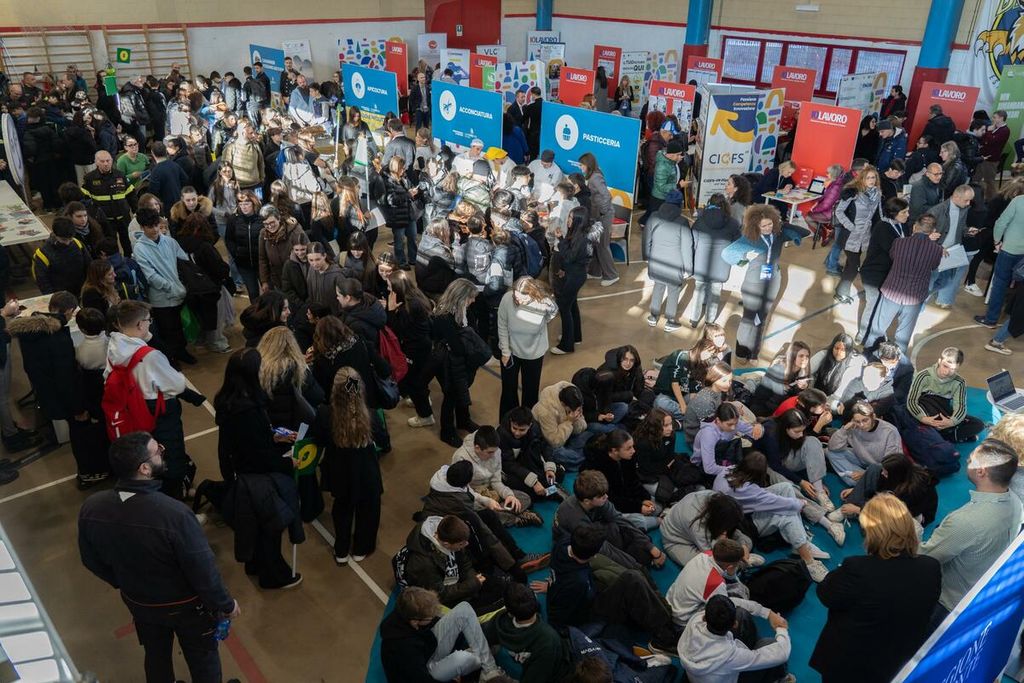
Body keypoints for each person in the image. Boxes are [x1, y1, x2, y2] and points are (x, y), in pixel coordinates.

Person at [78, 432, 240, 683]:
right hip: (187, 607)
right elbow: (203, 570)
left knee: (156, 656)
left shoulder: (92, 508)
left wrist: (123, 581)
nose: (163, 452)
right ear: (144, 468)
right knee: (203, 659)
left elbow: (90, 559)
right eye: (157, 451)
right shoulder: (175, 515)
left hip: (140, 604)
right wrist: (226, 604)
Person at [812, 494, 939, 683]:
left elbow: (825, 594)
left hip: (851, 664)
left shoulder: (857, 568)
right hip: (898, 661)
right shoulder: (931, 567)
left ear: (872, 532)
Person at [214, 349, 304, 588]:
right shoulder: (249, 411)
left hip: (240, 475)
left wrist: (272, 435)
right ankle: (273, 576)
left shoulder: (227, 402)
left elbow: (242, 442)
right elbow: (260, 456)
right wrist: (288, 462)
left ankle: (254, 565)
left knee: (254, 526)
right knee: (270, 528)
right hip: (257, 478)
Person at [922, 439, 1022, 627]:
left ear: (981, 471)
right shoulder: (1016, 502)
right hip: (980, 587)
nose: (967, 460)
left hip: (949, 603)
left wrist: (909, 528)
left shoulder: (965, 521)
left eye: (971, 459)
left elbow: (925, 558)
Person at [537, 523, 678, 653]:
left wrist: (552, 587)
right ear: (593, 554)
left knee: (622, 573)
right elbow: (568, 612)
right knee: (632, 580)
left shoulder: (564, 543)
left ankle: (656, 604)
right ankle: (663, 637)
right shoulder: (579, 582)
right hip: (585, 613)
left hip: (576, 590)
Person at [714, 452, 838, 582]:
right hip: (742, 525)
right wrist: (801, 503)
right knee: (786, 515)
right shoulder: (747, 489)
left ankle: (800, 541)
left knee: (786, 487)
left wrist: (795, 504)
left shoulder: (729, 470)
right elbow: (779, 502)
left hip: (738, 515)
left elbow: (769, 499)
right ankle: (808, 560)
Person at [307, 366, 382, 564]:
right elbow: (382, 438)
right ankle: (361, 548)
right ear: (360, 388)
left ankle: (341, 550)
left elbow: (319, 439)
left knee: (342, 509)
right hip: (366, 472)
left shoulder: (325, 414)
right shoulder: (371, 415)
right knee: (368, 510)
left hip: (339, 472)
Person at [722, 205, 807, 362]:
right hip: (753, 283)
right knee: (749, 320)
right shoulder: (750, 239)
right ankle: (741, 352)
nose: (768, 228)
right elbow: (727, 254)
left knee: (761, 319)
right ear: (755, 226)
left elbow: (804, 231)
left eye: (770, 223)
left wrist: (784, 226)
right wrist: (744, 258)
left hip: (772, 282)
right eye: (764, 226)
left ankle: (754, 353)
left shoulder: (779, 234)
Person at [379, 586, 511, 683]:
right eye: (429, 617)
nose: (433, 617)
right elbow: (421, 680)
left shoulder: (406, 609)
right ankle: (480, 655)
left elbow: (431, 625)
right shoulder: (403, 649)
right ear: (415, 621)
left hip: (426, 648)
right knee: (464, 659)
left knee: (464, 609)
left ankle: (490, 670)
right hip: (423, 673)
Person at [864, 214, 943, 353]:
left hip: (892, 291)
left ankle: (868, 353)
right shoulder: (937, 250)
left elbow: (893, 256)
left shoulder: (899, 242)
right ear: (933, 231)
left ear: (915, 227)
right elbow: (934, 266)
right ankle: (897, 361)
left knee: (878, 328)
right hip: (914, 296)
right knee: (903, 336)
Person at [678, 594, 792, 683]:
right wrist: (781, 628)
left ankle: (752, 651)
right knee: (770, 643)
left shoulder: (695, 620)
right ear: (735, 624)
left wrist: (768, 614)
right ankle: (781, 678)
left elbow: (734, 601)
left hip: (701, 675)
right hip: (728, 673)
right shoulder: (729, 656)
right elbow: (782, 653)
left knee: (741, 613)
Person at [430, 279, 489, 447]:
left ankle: (464, 421)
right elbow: (457, 347)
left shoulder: (464, 311)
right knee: (451, 396)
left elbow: (472, 332)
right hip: (448, 364)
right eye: (470, 297)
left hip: (462, 363)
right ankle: (447, 432)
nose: (473, 301)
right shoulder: (443, 316)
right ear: (460, 297)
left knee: (461, 391)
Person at [666, 538, 776, 628]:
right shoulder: (715, 584)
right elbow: (729, 604)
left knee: (733, 585)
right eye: (737, 564)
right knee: (740, 596)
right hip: (683, 620)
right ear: (730, 567)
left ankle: (741, 566)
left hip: (672, 603)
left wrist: (731, 571)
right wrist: (766, 612)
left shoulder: (704, 554)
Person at [131, 208, 192, 365]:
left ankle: (182, 352)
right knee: (167, 330)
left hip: (180, 293)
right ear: (142, 227)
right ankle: (171, 358)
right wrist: (172, 287)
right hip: (161, 299)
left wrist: (183, 284)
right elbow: (151, 276)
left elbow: (184, 262)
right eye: (150, 226)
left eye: (156, 225)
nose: (155, 229)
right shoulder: (140, 248)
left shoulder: (170, 241)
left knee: (179, 326)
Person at [484, 583, 573, 683]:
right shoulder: (549, 640)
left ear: (509, 612)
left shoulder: (500, 620)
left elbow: (484, 639)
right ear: (535, 600)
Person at [497, 276, 557, 419]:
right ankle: (507, 420)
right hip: (511, 351)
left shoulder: (544, 302)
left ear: (532, 294)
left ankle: (528, 421)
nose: (518, 301)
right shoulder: (507, 299)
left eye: (522, 299)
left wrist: (543, 323)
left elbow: (553, 312)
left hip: (534, 353)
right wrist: (505, 352)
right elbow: (502, 325)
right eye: (516, 297)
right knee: (508, 389)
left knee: (531, 390)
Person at [829, 452, 939, 527]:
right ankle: (851, 507)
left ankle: (857, 511)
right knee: (874, 468)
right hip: (892, 497)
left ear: (896, 475)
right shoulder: (901, 474)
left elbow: (893, 514)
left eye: (886, 472)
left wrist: (859, 510)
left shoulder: (914, 491)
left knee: (875, 530)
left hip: (908, 513)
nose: (883, 473)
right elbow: (883, 483)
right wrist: (856, 489)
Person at [758, 409, 835, 511]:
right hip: (774, 464)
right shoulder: (770, 434)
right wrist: (800, 481)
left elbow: (804, 448)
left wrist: (815, 481)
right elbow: (775, 465)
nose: (801, 434)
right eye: (797, 431)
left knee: (812, 441)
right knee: (788, 486)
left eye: (802, 430)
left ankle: (819, 490)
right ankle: (812, 508)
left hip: (788, 454)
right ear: (785, 428)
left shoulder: (792, 430)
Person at [857, 197, 910, 343]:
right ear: (893, 213)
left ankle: (876, 332)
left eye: (907, 211)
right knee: (873, 305)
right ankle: (863, 336)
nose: (907, 215)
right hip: (874, 274)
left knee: (882, 306)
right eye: (904, 212)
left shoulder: (903, 225)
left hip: (889, 273)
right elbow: (894, 251)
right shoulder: (882, 227)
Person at [581, 429, 658, 530]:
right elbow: (609, 499)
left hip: (626, 498)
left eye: (633, 446)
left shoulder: (629, 457)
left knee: (655, 506)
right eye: (629, 448)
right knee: (639, 521)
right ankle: (659, 521)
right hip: (608, 504)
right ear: (615, 451)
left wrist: (643, 498)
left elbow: (633, 480)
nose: (633, 451)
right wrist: (638, 506)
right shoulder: (598, 468)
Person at [661, 490, 759, 567]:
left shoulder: (716, 498)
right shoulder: (697, 525)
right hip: (676, 541)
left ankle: (738, 560)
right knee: (706, 565)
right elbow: (715, 553)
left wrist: (744, 546)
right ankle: (738, 565)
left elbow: (731, 529)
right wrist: (722, 542)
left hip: (708, 526)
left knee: (747, 542)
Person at [688, 193, 742, 328]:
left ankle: (694, 319)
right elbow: (737, 245)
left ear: (709, 203)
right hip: (721, 265)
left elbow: (692, 243)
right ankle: (710, 320)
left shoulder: (699, 222)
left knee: (699, 290)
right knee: (716, 292)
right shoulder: (733, 223)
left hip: (701, 263)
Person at [833, 164, 882, 304]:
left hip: (864, 236)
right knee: (854, 266)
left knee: (851, 265)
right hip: (850, 236)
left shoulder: (877, 194)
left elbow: (879, 214)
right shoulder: (853, 193)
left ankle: (841, 291)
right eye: (868, 178)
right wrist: (851, 226)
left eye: (873, 177)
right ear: (862, 179)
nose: (871, 180)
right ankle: (841, 292)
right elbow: (839, 211)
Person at [645, 189, 693, 332]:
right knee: (674, 290)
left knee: (658, 285)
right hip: (674, 264)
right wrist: (688, 268)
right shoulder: (682, 221)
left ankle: (653, 316)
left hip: (657, 261)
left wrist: (646, 256)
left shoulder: (654, 216)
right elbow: (687, 246)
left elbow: (646, 238)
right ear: (679, 204)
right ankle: (670, 321)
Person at [976, 190, 1024, 330]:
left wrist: (997, 241)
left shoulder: (1019, 201)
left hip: (1009, 249)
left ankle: (991, 319)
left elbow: (1001, 222)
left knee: (1000, 284)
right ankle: (1015, 323)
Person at [551, 206, 595, 355]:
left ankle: (566, 345)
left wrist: (560, 240)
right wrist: (562, 239)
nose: (568, 221)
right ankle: (575, 336)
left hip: (575, 277)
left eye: (570, 218)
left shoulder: (581, 239)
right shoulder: (579, 234)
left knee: (564, 307)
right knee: (572, 305)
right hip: (574, 274)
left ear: (578, 221)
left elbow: (569, 256)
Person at [826, 401, 903, 485]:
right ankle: (863, 482)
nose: (861, 425)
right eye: (857, 421)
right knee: (830, 452)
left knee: (889, 473)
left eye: (865, 420)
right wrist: (844, 429)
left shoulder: (890, 431)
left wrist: (866, 473)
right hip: (861, 459)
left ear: (873, 416)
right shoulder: (853, 427)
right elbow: (832, 447)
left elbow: (891, 463)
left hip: (879, 468)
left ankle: (862, 482)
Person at [924, 184, 975, 309]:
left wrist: (967, 230)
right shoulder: (936, 211)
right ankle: (918, 308)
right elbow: (924, 235)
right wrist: (937, 248)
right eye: (966, 200)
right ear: (956, 196)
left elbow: (961, 227)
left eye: (970, 200)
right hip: (935, 254)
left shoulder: (963, 208)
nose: (968, 203)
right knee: (928, 284)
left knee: (944, 282)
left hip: (951, 254)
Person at [497, 407, 563, 502]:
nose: (517, 433)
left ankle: (550, 491)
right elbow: (508, 464)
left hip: (527, 463)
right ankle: (552, 491)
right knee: (532, 491)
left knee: (557, 474)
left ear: (530, 425)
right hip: (510, 470)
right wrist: (533, 482)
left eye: (522, 430)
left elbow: (544, 446)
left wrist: (550, 468)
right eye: (514, 428)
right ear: (511, 421)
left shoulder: (535, 428)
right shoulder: (502, 434)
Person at [82, 150, 135, 255]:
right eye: (102, 161)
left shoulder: (120, 175)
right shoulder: (89, 179)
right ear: (96, 162)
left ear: (112, 161)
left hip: (123, 218)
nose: (106, 164)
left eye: (108, 160)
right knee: (110, 247)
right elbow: (85, 200)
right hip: (105, 221)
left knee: (128, 244)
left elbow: (131, 195)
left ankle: (129, 261)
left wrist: (136, 211)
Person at [578, 154, 619, 286]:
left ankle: (612, 275)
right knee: (596, 243)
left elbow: (607, 196)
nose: (580, 167)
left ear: (588, 165)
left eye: (581, 165)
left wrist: (603, 211)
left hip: (604, 215)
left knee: (602, 246)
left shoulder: (595, 177)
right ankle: (595, 272)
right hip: (598, 215)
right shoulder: (593, 175)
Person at [533, 382, 589, 470]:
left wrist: (576, 420)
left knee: (591, 432)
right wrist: (569, 422)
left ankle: (579, 456)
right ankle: (584, 457)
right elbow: (554, 442)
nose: (577, 411)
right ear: (563, 404)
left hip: (568, 436)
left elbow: (582, 428)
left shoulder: (575, 399)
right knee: (560, 454)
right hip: (548, 444)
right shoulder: (545, 411)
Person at [32, 216, 91, 296]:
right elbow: (42, 281)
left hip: (82, 290)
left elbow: (89, 265)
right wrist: (53, 296)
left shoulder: (77, 244)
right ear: (55, 234)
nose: (67, 243)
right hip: (60, 295)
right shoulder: (42, 254)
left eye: (70, 239)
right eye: (64, 240)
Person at [258, 206, 309, 292]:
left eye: (272, 222)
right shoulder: (263, 234)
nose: (269, 226)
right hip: (278, 279)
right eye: (265, 224)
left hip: (298, 278)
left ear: (279, 218)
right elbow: (262, 258)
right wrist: (264, 281)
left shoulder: (295, 231)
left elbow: (308, 253)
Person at [381, 156, 419, 269]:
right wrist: (408, 195)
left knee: (412, 237)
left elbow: (408, 190)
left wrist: (412, 192)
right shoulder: (388, 181)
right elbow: (391, 200)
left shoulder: (403, 178)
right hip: (397, 216)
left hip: (409, 214)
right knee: (399, 241)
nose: (404, 170)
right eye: (402, 168)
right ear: (396, 168)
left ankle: (413, 259)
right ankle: (401, 262)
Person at [148, 141, 190, 213]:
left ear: (152, 153)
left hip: (166, 206)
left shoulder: (155, 171)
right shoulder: (175, 165)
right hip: (179, 201)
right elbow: (185, 180)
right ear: (165, 151)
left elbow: (153, 191)